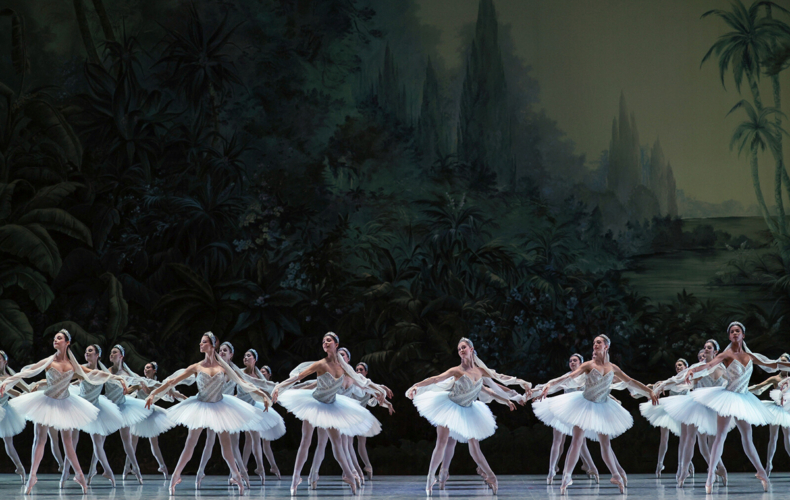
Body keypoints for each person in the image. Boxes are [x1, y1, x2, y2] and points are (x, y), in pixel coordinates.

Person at [0, 329, 128, 494]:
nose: (55, 340)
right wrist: (8, 380)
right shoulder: (49, 361)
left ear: (67, 342)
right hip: (46, 402)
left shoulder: (73, 365)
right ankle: (32, 476)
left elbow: (94, 374)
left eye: (59, 338)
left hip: (66, 403)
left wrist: (117, 378)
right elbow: (28, 372)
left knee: (68, 442)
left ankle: (80, 476)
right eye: (54, 338)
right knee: (40, 439)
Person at [144, 332, 272, 495]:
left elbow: (243, 382)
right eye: (200, 342)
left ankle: (237, 477)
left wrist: (262, 396)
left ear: (212, 345)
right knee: (190, 444)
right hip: (201, 406)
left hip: (220, 407)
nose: (200, 345)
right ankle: (175, 476)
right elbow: (171, 381)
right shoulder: (197, 366)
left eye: (203, 342)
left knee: (226, 448)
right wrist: (154, 394)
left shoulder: (224, 368)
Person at [272, 332, 392, 495]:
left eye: (328, 340)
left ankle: (349, 475)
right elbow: (299, 377)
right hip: (314, 403)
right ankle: (296, 478)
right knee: (306, 440)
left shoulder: (344, 367)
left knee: (337, 444)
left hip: (331, 406)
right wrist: (278, 388)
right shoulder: (321, 364)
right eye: (323, 341)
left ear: (336, 344)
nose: (325, 343)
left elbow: (362, 382)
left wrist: (379, 391)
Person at [535, 335, 657, 494]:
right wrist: (551, 384)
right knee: (577, 440)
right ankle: (566, 477)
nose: (595, 345)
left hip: (603, 406)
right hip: (584, 405)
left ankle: (616, 475)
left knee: (605, 443)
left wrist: (649, 391)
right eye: (593, 343)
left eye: (598, 342)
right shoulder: (588, 365)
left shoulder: (613, 368)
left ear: (606, 346)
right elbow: (569, 377)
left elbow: (630, 381)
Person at [407, 337, 530, 494]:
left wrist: (514, 393)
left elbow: (496, 383)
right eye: (459, 349)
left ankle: (491, 476)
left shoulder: (481, 371)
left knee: (474, 447)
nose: (461, 350)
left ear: (471, 349)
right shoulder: (457, 371)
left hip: (468, 410)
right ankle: (431, 477)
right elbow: (436, 379)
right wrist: (416, 386)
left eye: (463, 347)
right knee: (443, 441)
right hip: (449, 407)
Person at [684, 322, 790, 493]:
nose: (734, 333)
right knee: (720, 437)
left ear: (743, 335)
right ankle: (710, 475)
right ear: (729, 336)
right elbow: (709, 365)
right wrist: (692, 372)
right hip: (728, 397)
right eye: (732, 331)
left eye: (737, 331)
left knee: (747, 437)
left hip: (743, 399)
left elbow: (773, 365)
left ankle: (761, 472)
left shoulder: (751, 356)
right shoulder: (726, 354)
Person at [59, 344, 124, 488]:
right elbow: (70, 376)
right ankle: (66, 471)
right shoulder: (81, 368)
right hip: (79, 406)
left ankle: (108, 472)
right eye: (86, 351)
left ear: (97, 355)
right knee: (72, 441)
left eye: (90, 351)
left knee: (98, 444)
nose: (87, 353)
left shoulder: (102, 372)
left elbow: (115, 380)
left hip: (94, 409)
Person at [533, 353, 598, 484]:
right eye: (570, 361)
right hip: (563, 409)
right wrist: (537, 393)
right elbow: (552, 385)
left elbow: (598, 389)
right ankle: (552, 469)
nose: (572, 363)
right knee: (558, 440)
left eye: (575, 361)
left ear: (581, 363)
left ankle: (590, 467)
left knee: (580, 441)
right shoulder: (568, 376)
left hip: (578, 411)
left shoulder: (587, 376)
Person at [124, 360, 182, 480]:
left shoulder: (157, 384)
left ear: (154, 370)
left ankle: (163, 467)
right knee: (132, 442)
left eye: (148, 368)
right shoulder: (139, 382)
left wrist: (183, 398)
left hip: (150, 414)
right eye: (145, 368)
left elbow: (170, 393)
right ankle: (127, 467)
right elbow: (128, 392)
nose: (146, 370)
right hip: (139, 413)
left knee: (154, 444)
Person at [640, 358, 688, 478]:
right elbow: (658, 385)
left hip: (683, 411)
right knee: (664, 437)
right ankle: (660, 464)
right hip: (670, 410)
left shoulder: (689, 379)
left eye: (680, 365)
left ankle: (683, 465)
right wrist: (647, 390)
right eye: (676, 366)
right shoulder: (671, 380)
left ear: (686, 367)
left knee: (684, 439)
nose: (678, 367)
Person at [749, 353, 790, 476]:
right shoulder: (775, 379)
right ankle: (768, 464)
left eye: (785, 362)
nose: (782, 365)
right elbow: (759, 386)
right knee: (773, 438)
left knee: (787, 438)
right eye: (780, 362)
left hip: (786, 410)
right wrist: (744, 389)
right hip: (776, 409)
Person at [0, 351, 28, 483]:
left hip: (4, 412)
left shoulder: (9, 378)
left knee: (9, 444)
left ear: (5, 362)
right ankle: (20, 467)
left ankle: (20, 467)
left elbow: (19, 391)